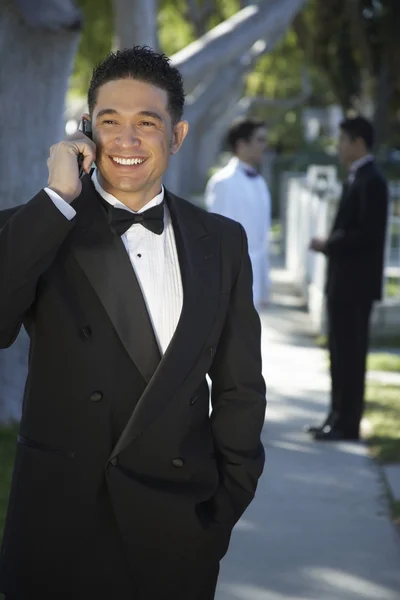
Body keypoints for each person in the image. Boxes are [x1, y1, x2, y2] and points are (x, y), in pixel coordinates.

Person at [0, 47, 266, 600]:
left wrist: (217, 516)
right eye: (109, 122)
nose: (126, 140)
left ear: (178, 135)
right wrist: (57, 198)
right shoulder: (39, 228)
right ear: (85, 131)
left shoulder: (221, 242)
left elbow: (241, 389)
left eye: (147, 122)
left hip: (177, 533)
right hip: (59, 529)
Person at [307, 116, 388, 441]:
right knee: (338, 354)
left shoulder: (372, 181)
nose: (338, 147)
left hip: (356, 288)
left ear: (357, 143)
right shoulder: (357, 178)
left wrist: (330, 243)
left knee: (351, 356)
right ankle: (335, 416)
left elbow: (367, 235)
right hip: (342, 285)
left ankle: (347, 423)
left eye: (342, 140)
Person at [205, 117, 271, 310]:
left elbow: (262, 238)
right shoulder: (224, 182)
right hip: (232, 281)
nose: (264, 146)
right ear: (241, 145)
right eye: (259, 140)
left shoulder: (259, 182)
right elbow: (218, 238)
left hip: (255, 278)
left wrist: (264, 285)